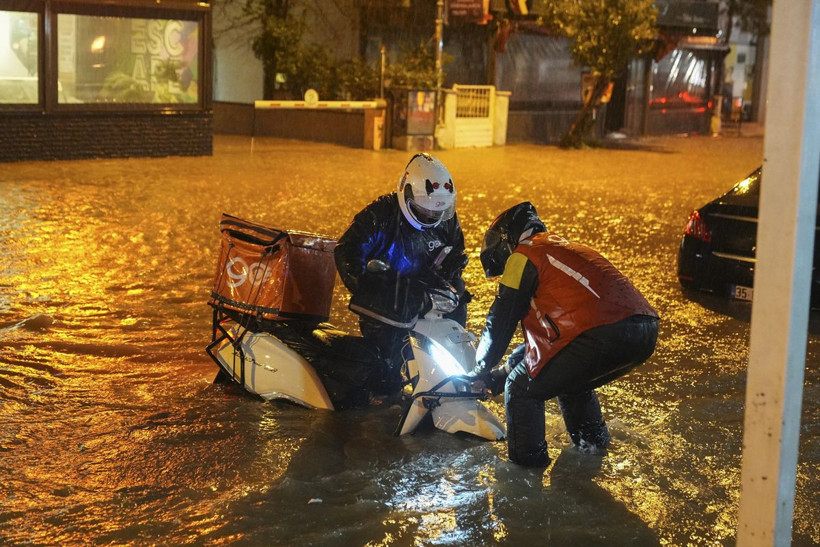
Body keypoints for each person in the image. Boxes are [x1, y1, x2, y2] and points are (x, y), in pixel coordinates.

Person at [472, 202, 658, 467]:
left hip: (597, 333)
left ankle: (526, 474)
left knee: (521, 389)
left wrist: (480, 367)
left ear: (507, 239)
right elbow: (544, 350)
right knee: (570, 381)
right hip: (643, 330)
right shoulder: (560, 248)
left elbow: (500, 320)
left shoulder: (523, 255)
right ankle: (593, 450)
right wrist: (497, 376)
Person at [334, 153, 469, 396]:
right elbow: (347, 251)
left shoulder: (445, 219)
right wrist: (370, 288)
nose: (431, 218)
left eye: (435, 214)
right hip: (390, 306)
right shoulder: (380, 215)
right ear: (406, 194)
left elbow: (455, 252)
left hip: (427, 301)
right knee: (386, 378)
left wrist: (450, 282)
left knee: (448, 364)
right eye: (423, 211)